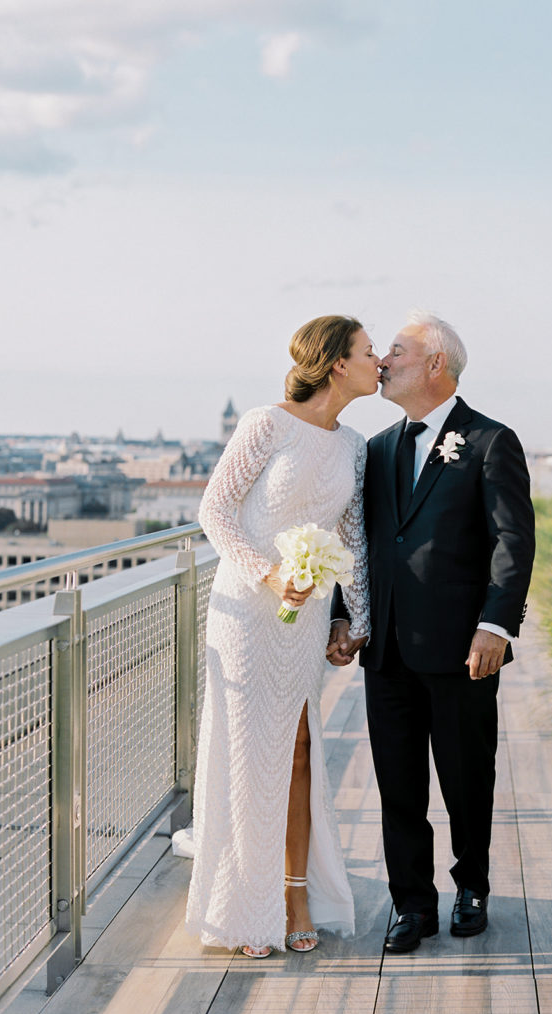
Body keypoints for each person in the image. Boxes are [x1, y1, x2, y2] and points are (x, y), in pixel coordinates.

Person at [329, 310, 535, 953]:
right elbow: (356, 543)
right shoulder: (378, 448)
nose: (382, 361)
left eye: (395, 351)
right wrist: (343, 614)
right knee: (398, 784)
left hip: (461, 647)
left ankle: (472, 884)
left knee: (468, 775)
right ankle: (411, 904)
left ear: (435, 364)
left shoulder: (491, 441)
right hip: (386, 648)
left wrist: (496, 624)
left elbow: (513, 542)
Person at [185, 315, 377, 958]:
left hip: (307, 619)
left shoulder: (354, 445)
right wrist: (269, 573)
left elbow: (353, 541)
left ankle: (295, 894)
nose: (379, 361)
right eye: (369, 351)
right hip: (246, 610)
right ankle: (245, 904)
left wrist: (353, 620)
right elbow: (215, 508)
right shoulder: (263, 425)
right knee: (246, 754)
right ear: (335, 364)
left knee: (297, 749)